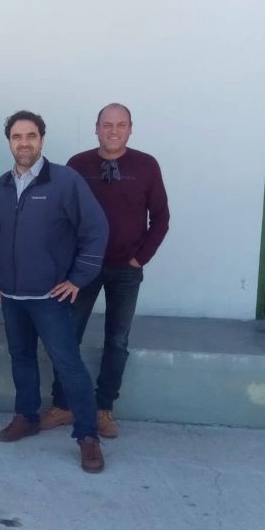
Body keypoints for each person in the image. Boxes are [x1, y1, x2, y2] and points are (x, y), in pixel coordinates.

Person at [0, 111, 109, 473]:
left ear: (42, 139)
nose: (24, 143)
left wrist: (78, 278)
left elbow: (96, 228)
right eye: (16, 137)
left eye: (31, 136)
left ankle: (87, 437)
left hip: (50, 298)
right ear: (9, 142)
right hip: (13, 296)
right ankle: (26, 417)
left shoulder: (65, 181)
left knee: (68, 364)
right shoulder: (2, 185)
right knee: (21, 357)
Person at [44, 103, 170, 438]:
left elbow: (161, 218)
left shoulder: (146, 165)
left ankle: (103, 409)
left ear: (130, 128)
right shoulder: (78, 165)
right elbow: (62, 216)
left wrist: (140, 259)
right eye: (107, 124)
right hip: (83, 270)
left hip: (125, 270)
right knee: (68, 336)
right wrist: (67, 262)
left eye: (121, 125)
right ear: (96, 128)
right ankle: (63, 405)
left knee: (117, 339)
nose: (114, 131)